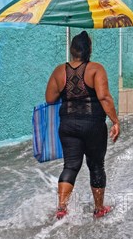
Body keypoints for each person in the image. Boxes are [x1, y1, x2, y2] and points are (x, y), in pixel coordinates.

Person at [45, 31, 121, 219]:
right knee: (96, 166)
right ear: (89, 50)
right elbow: (103, 96)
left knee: (70, 166)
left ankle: (62, 208)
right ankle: (99, 208)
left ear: (72, 50)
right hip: (93, 125)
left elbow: (50, 98)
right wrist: (115, 120)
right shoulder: (96, 69)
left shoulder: (59, 71)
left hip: (68, 125)